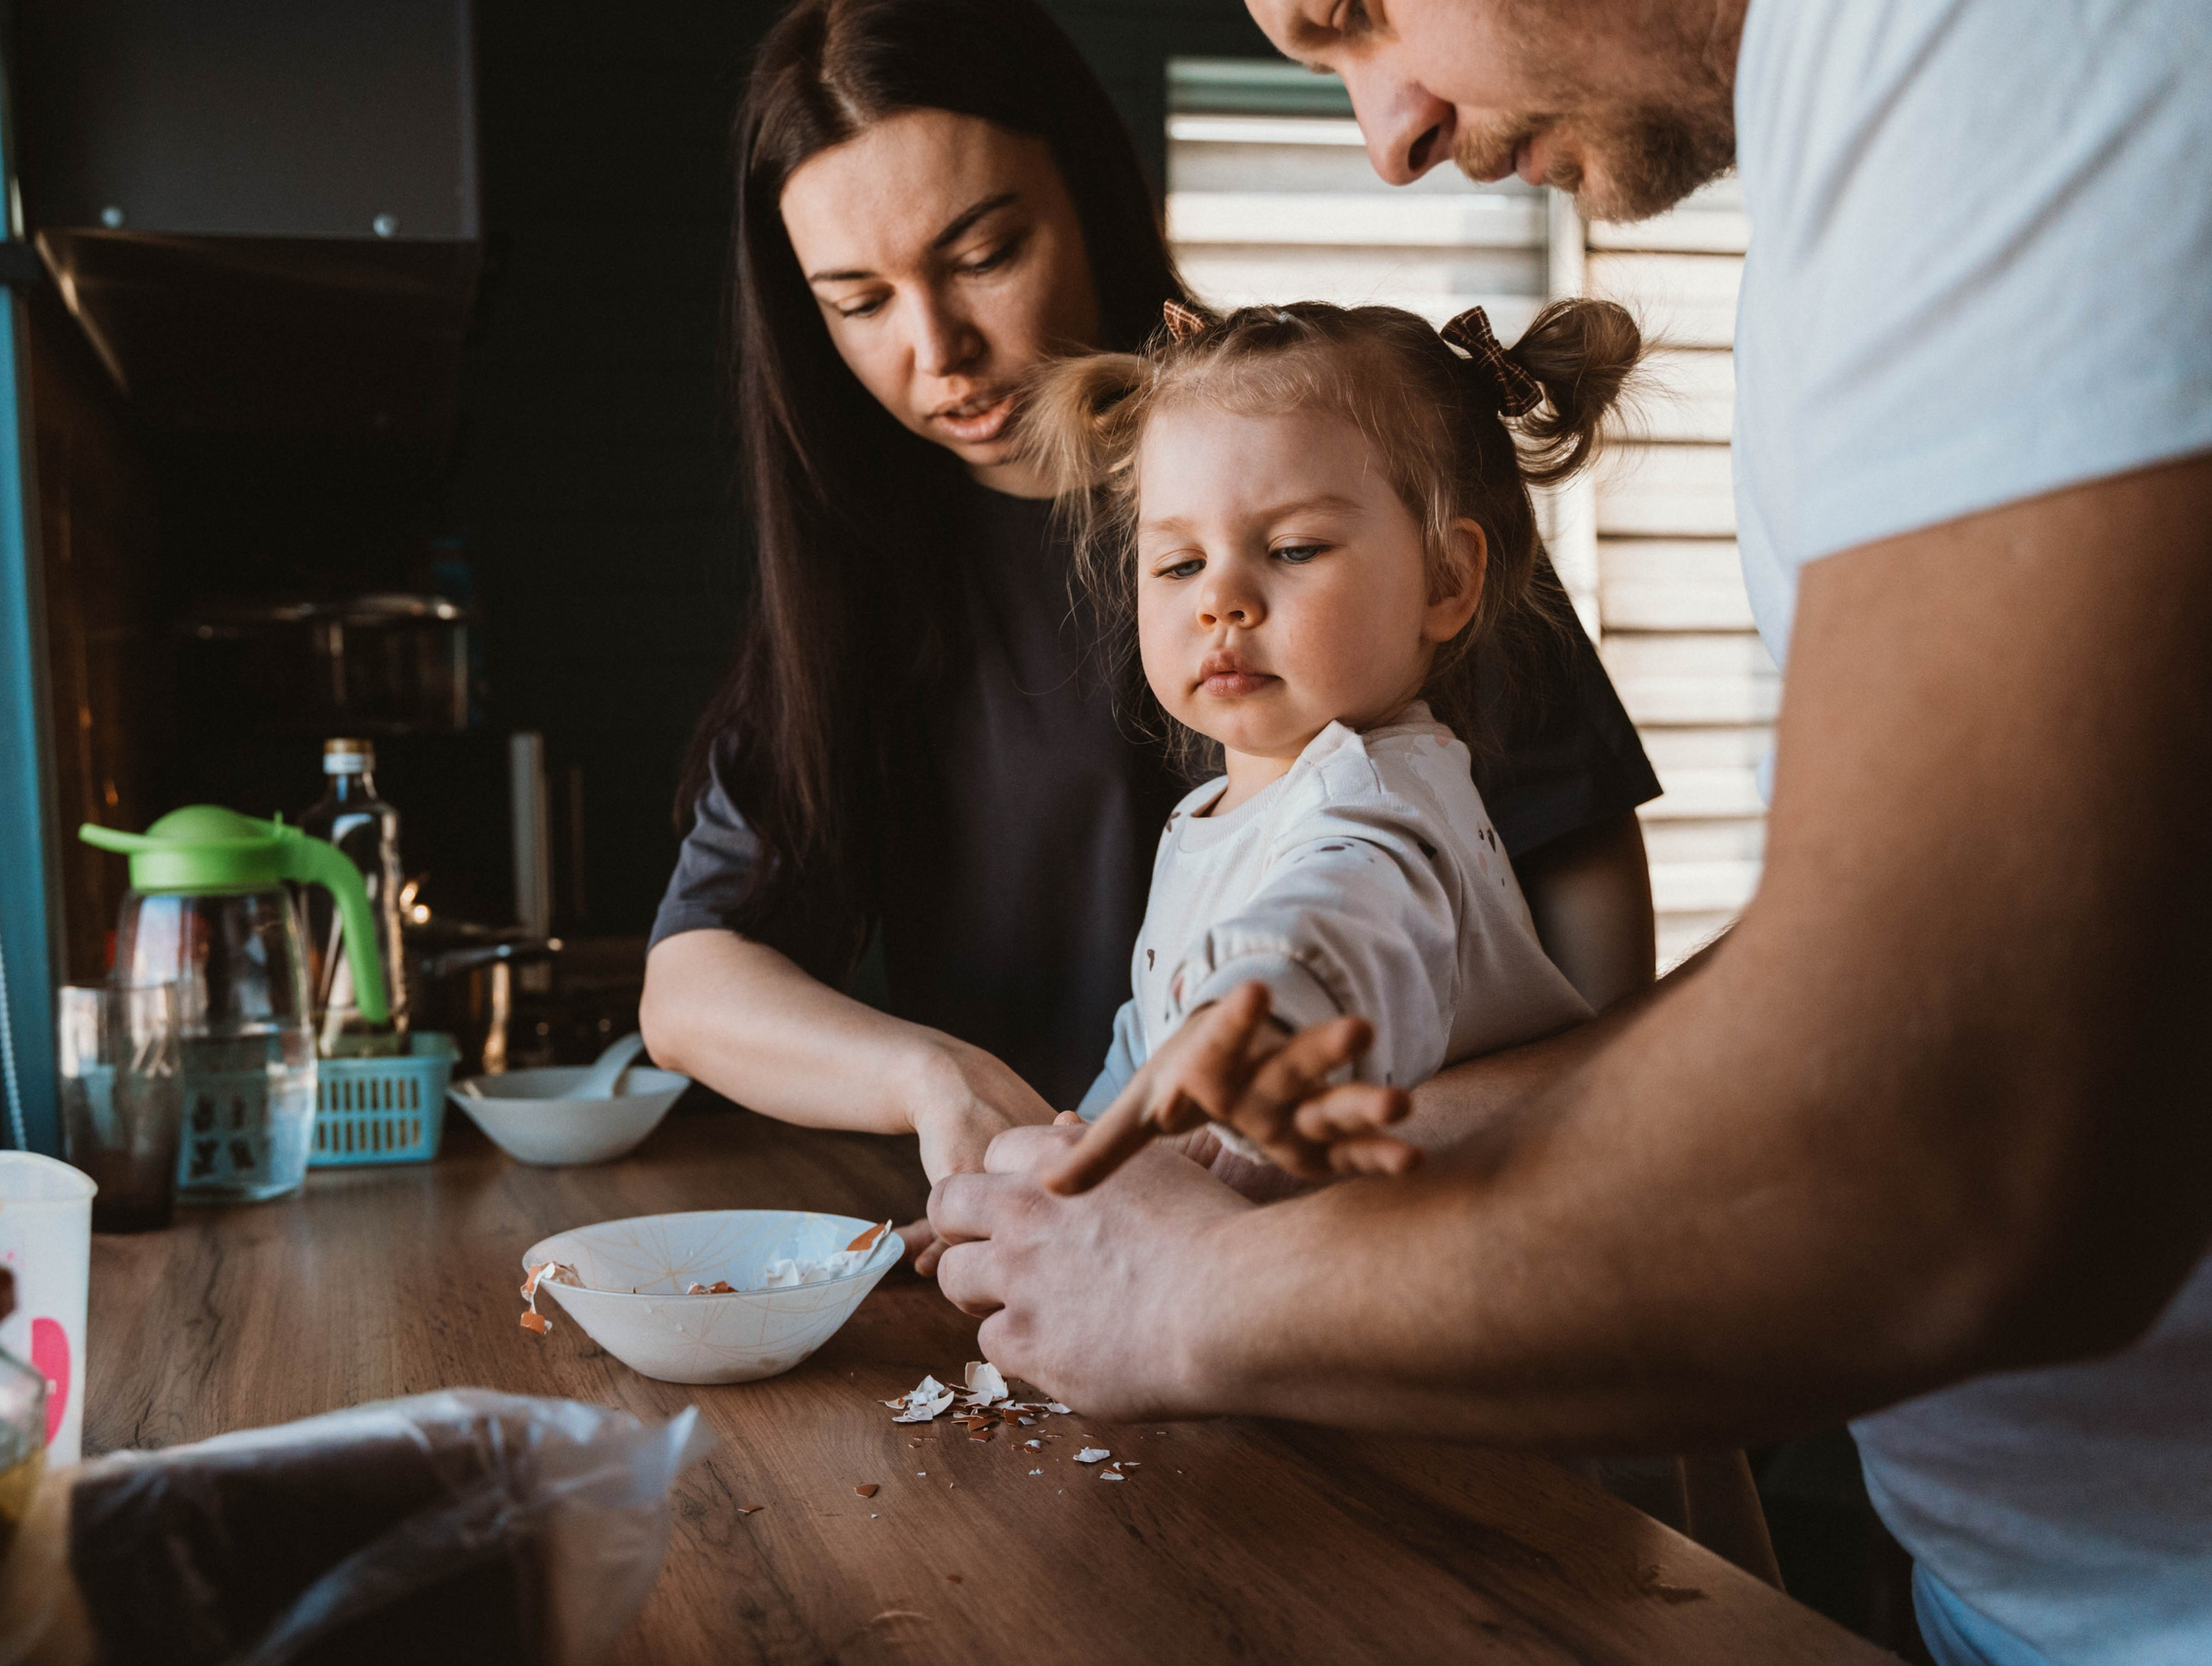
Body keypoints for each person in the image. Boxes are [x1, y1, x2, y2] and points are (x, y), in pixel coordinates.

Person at [925, 3, 2212, 1663]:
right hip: (2018, 1583)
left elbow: (1969, 1112)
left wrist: (1175, 1293)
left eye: (1353, 8)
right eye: (1176, 562)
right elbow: (1898, 955)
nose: (1383, 131)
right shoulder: (1847, 174)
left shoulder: (2001, 46)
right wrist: (1119, 1166)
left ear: (1450, 579)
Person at [638, 0, 1663, 1207]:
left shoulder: (1351, 471)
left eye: (982, 258)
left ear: (1088, 195)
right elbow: (690, 984)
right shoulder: (866, 578)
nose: (939, 348)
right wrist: (939, 1084)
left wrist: (1259, 1120)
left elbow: (1573, 1012)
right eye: (859, 302)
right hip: (1080, 1233)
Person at [1008, 298, 1642, 1187]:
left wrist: (1263, 1021)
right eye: (1179, 563)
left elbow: (1349, 918)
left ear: (1448, 577)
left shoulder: (1384, 800)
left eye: (1295, 548)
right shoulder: (1210, 813)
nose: (1218, 599)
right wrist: (1066, 1169)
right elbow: (1154, 1038)